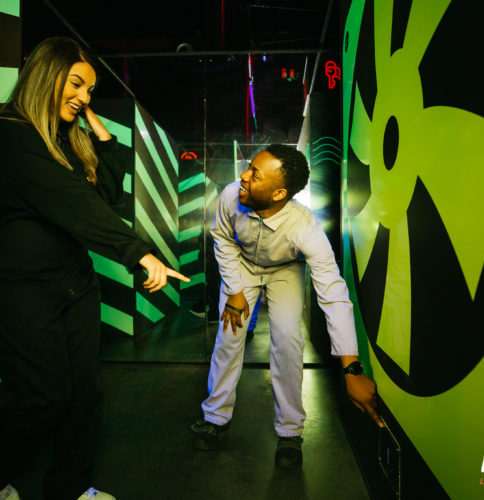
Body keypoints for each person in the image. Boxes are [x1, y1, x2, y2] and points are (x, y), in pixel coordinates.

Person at [0, 37, 189, 500]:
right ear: (46, 74)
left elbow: (106, 195)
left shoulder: (64, 139)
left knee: (85, 395)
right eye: (76, 84)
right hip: (24, 290)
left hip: (76, 286)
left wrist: (98, 131)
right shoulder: (10, 134)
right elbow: (73, 203)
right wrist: (138, 252)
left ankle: (70, 489)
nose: (84, 96)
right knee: (42, 396)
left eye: (90, 90)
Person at [191, 144, 383, 468]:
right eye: (249, 168)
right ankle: (215, 417)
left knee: (287, 341)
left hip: (285, 271)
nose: (243, 176)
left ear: (279, 193)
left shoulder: (304, 226)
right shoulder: (232, 195)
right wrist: (235, 290)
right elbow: (221, 237)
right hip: (242, 266)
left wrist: (352, 368)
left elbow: (333, 293)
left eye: (255, 175)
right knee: (229, 336)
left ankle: (290, 431)